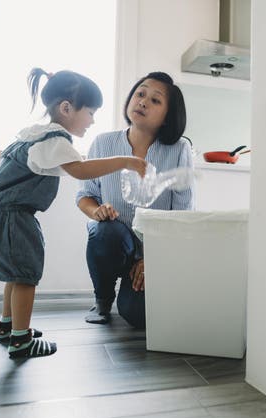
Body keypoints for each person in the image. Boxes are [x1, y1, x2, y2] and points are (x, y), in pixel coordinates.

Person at [0, 68, 147, 359]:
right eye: (90, 112)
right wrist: (126, 161)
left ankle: (9, 327)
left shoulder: (34, 136)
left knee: (14, 276)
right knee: (26, 277)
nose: (93, 120)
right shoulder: (55, 140)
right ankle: (21, 340)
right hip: (14, 216)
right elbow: (81, 169)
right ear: (66, 108)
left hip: (3, 215)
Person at [76, 71, 195, 328]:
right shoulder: (103, 143)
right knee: (103, 231)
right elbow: (85, 196)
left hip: (155, 249)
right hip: (112, 241)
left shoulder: (180, 150)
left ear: (167, 116)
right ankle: (103, 299)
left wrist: (153, 258)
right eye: (140, 94)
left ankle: (130, 294)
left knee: (137, 317)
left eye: (155, 100)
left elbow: (182, 214)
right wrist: (97, 211)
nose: (142, 101)